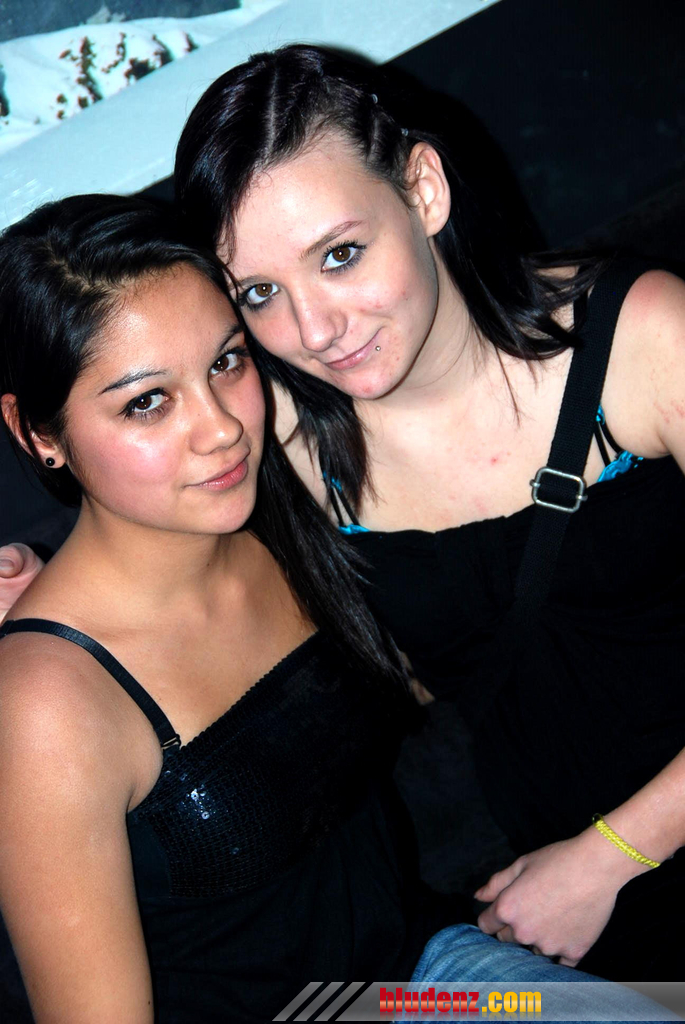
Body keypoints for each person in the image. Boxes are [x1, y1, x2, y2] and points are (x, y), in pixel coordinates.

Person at [4, 195, 668, 1024]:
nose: (219, 428)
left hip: (422, 975)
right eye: (147, 402)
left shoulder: (280, 521)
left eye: (226, 362)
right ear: (38, 433)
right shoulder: (46, 702)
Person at [169, 44, 685, 980]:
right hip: (565, 912)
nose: (314, 330)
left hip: (602, 870)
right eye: (260, 294)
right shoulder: (280, 436)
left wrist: (613, 855)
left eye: (339, 255)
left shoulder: (642, 338)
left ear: (423, 189)